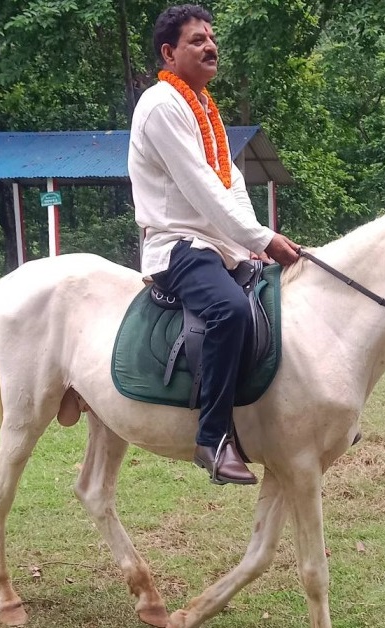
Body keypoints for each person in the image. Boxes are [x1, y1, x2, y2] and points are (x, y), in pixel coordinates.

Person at [128, 4, 300, 486]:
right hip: (179, 246)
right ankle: (213, 439)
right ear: (169, 53)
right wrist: (261, 237)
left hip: (218, 244)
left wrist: (254, 240)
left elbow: (231, 183)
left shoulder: (203, 107)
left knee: (280, 298)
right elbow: (201, 186)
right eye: (197, 40)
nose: (210, 46)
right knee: (230, 310)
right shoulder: (162, 105)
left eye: (211, 38)